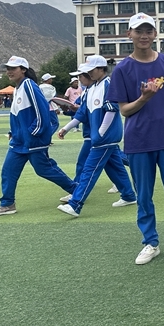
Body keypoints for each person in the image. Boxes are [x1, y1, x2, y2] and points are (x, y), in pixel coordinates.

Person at [107, 13, 164, 265]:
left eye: (148, 31)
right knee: (144, 195)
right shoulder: (122, 69)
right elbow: (124, 110)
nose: (144, 36)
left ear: (155, 34)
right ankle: (150, 242)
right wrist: (144, 98)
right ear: (129, 34)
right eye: (139, 31)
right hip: (139, 141)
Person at [0, 56, 77, 216]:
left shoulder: (29, 85)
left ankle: (76, 190)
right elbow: (17, 115)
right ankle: (7, 204)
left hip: (33, 140)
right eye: (8, 68)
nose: (9, 71)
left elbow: (42, 110)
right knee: (8, 170)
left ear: (23, 70)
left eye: (13, 68)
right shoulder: (18, 88)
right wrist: (13, 132)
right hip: (19, 141)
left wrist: (34, 132)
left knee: (44, 169)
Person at [56, 56, 137, 217]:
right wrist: (66, 128)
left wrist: (101, 132)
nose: (89, 74)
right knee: (114, 166)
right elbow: (82, 113)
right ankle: (128, 195)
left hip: (105, 137)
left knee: (89, 170)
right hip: (102, 137)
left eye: (91, 70)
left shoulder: (108, 84)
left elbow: (112, 109)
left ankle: (75, 204)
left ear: (101, 69)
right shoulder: (90, 88)